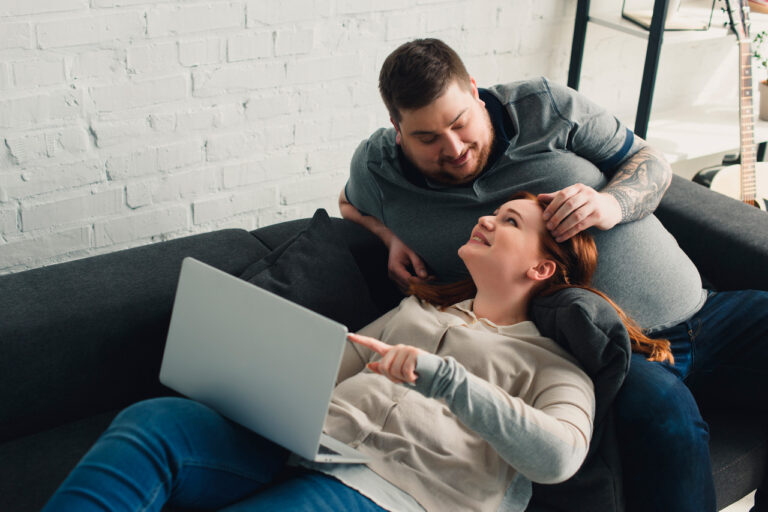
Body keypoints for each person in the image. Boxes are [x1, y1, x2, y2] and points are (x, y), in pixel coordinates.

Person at [339, 38, 768, 511]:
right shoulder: (378, 170)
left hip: (705, 309)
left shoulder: (543, 106)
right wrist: (386, 235)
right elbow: (347, 202)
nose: (455, 148)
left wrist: (611, 204)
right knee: (666, 417)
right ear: (397, 130)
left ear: (475, 93)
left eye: (461, 123)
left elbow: (651, 163)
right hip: (612, 355)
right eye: (428, 138)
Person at [42, 194, 670, 512]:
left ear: (541, 266)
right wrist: (249, 359)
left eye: (507, 221)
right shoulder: (415, 310)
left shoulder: (554, 367)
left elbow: (557, 457)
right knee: (151, 424)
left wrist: (443, 378)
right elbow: (328, 371)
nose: (485, 220)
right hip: (304, 444)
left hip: (394, 490)